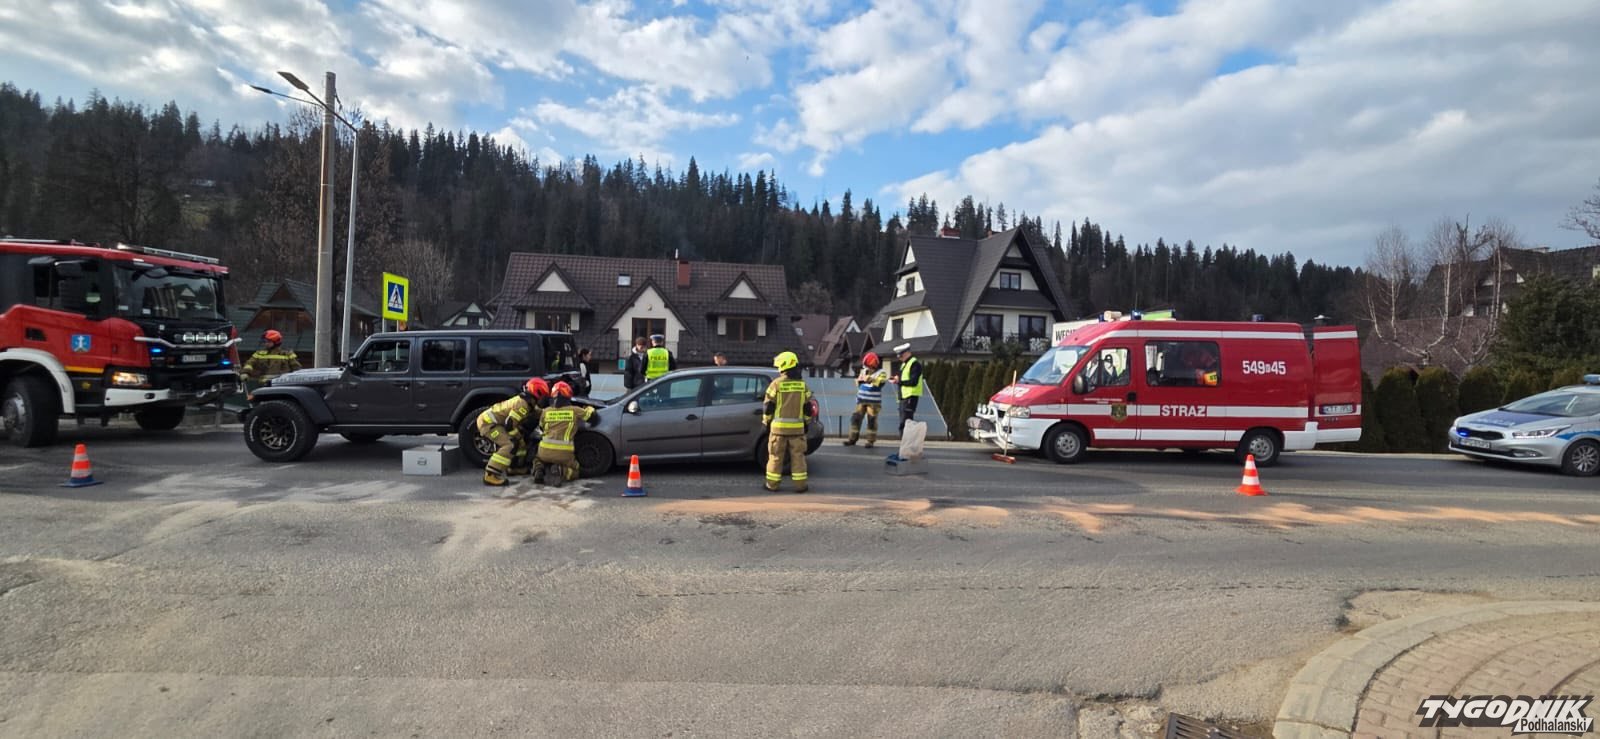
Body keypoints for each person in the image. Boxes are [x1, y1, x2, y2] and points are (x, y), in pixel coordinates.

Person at [476, 378, 548, 486]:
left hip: (494, 422)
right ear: (537, 393)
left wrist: (552, 413)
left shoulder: (528, 403)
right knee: (510, 444)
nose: (543, 399)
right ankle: (490, 474)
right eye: (543, 396)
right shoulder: (522, 404)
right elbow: (509, 424)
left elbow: (538, 412)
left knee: (520, 440)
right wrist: (518, 436)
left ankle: (514, 468)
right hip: (488, 424)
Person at [763, 351, 815, 493]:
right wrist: (806, 423)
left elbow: (768, 407)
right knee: (798, 458)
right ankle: (800, 486)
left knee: (775, 457)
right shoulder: (802, 386)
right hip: (797, 430)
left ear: (783, 366)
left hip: (778, 430)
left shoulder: (776, 384)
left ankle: (772, 485)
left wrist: (766, 422)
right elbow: (808, 408)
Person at [532, 381, 598, 486]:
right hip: (565, 454)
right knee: (575, 471)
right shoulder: (575, 410)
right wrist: (589, 408)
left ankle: (538, 470)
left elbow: (541, 427)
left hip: (544, 451)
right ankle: (561, 470)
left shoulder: (546, 411)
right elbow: (592, 418)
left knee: (537, 459)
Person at [843, 351, 889, 448]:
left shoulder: (882, 373)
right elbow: (860, 383)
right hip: (861, 400)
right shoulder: (864, 371)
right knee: (856, 419)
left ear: (873, 364)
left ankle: (870, 441)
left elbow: (881, 383)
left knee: (871, 420)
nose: (867, 368)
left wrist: (871, 379)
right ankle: (852, 439)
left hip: (873, 402)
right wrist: (858, 381)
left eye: (868, 366)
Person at [890, 343, 923, 433]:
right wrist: (896, 379)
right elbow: (903, 378)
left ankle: (907, 441)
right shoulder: (904, 364)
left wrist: (899, 381)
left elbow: (913, 381)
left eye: (900, 355)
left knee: (905, 423)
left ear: (907, 353)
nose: (899, 358)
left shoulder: (914, 364)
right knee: (903, 423)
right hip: (903, 397)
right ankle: (905, 440)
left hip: (910, 397)